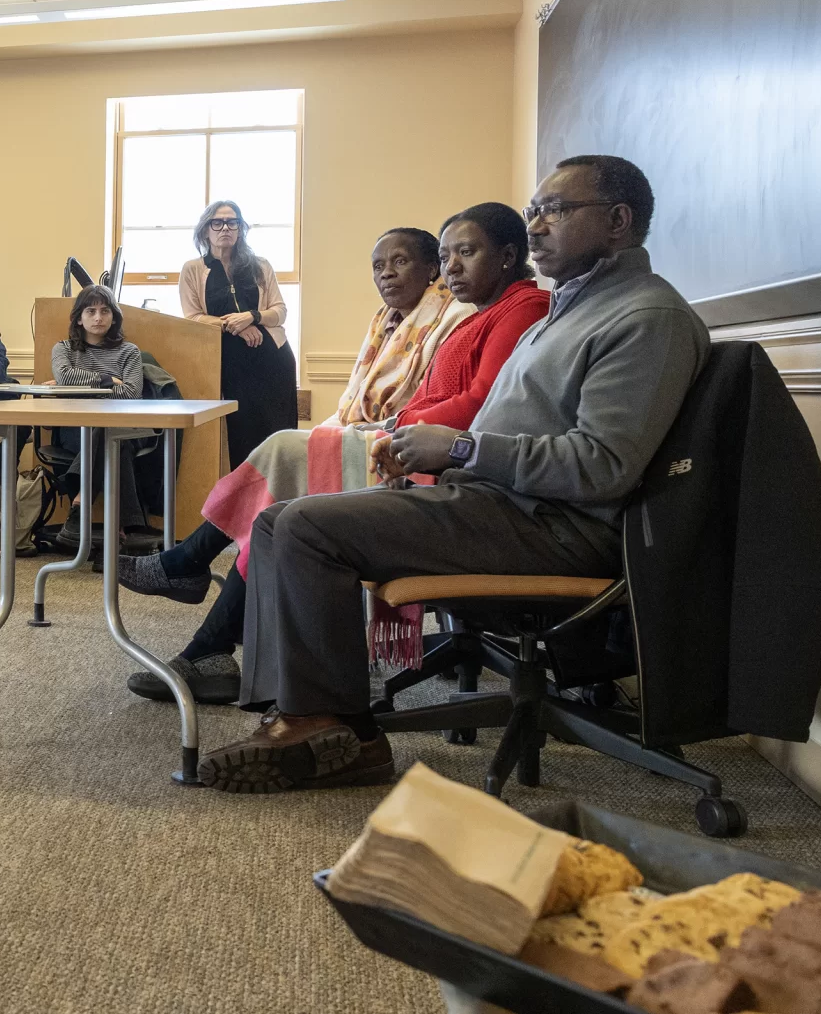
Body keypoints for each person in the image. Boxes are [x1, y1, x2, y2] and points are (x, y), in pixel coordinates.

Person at [192, 156, 707, 793]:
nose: (537, 224)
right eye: (533, 211)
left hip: (555, 526)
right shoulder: (568, 313)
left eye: (555, 210)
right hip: (500, 503)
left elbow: (602, 467)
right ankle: (312, 716)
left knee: (303, 527)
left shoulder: (642, 318)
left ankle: (332, 727)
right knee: (275, 523)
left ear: (618, 222)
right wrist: (426, 455)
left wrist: (460, 451)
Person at [121, 204, 549, 706]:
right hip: (419, 448)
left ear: (507, 256)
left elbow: (475, 406)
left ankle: (191, 581)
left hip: (440, 465)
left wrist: (393, 424)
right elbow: (437, 400)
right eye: (448, 253)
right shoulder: (467, 314)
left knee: (282, 461)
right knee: (275, 502)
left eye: (464, 253)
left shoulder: (510, 309)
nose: (452, 265)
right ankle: (204, 635)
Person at [179, 200, 298, 466]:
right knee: (241, 438)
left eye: (232, 222)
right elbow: (193, 317)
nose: (225, 228)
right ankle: (243, 505)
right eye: (217, 222)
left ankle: (280, 500)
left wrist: (252, 316)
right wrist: (235, 325)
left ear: (240, 229)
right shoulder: (192, 269)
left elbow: (280, 311)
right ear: (205, 230)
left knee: (277, 436)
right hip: (230, 366)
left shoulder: (260, 265)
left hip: (272, 361)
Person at [49, 284, 149, 539]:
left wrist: (82, 386)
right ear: (79, 319)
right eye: (90, 311)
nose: (98, 317)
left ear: (114, 316)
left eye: (105, 311)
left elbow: (130, 393)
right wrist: (108, 380)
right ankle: (122, 531)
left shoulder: (129, 351)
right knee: (113, 441)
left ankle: (80, 503)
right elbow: (65, 376)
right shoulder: (64, 349)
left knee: (110, 432)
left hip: (125, 426)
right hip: (75, 430)